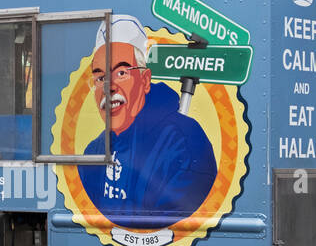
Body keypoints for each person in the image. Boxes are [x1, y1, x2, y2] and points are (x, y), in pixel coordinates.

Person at [77, 15, 218, 231]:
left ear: (144, 81)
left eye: (121, 73)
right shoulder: (92, 153)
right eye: (100, 78)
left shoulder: (186, 142)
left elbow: (167, 219)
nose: (109, 87)